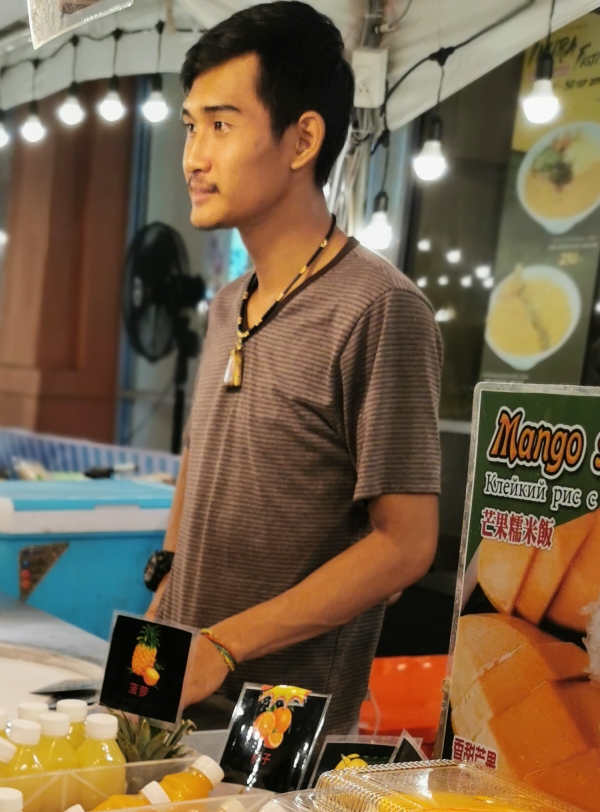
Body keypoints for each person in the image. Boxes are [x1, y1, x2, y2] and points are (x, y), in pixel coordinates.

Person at [148, 3, 441, 734]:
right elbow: (200, 453)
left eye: (221, 124)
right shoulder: (226, 305)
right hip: (178, 691)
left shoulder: (379, 308)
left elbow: (405, 544)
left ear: (302, 137)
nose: (193, 157)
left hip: (279, 728)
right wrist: (165, 582)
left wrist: (224, 644)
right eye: (190, 126)